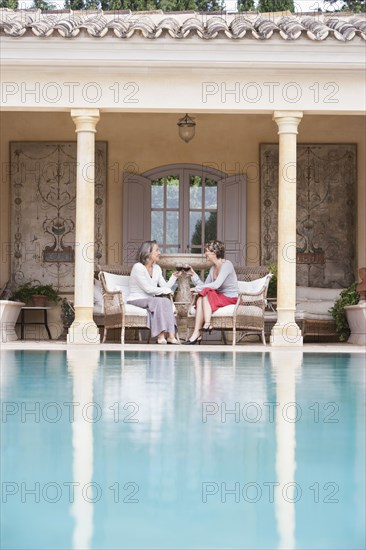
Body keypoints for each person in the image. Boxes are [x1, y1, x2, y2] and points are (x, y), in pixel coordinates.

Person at [183, 240, 238, 345]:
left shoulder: (227, 265)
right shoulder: (213, 268)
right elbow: (205, 285)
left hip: (231, 298)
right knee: (201, 296)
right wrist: (193, 275)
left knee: (205, 292)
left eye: (207, 251)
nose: (205, 254)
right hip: (219, 297)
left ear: (215, 252)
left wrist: (197, 289)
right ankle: (197, 333)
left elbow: (216, 285)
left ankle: (207, 324)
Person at [127, 241, 180, 344]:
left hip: (151, 300)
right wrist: (166, 290)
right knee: (159, 301)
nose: (159, 252)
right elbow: (148, 289)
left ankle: (170, 335)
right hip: (136, 299)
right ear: (148, 252)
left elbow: (164, 286)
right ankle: (160, 336)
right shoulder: (138, 267)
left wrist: (173, 277)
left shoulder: (157, 268)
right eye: (157, 250)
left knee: (165, 301)